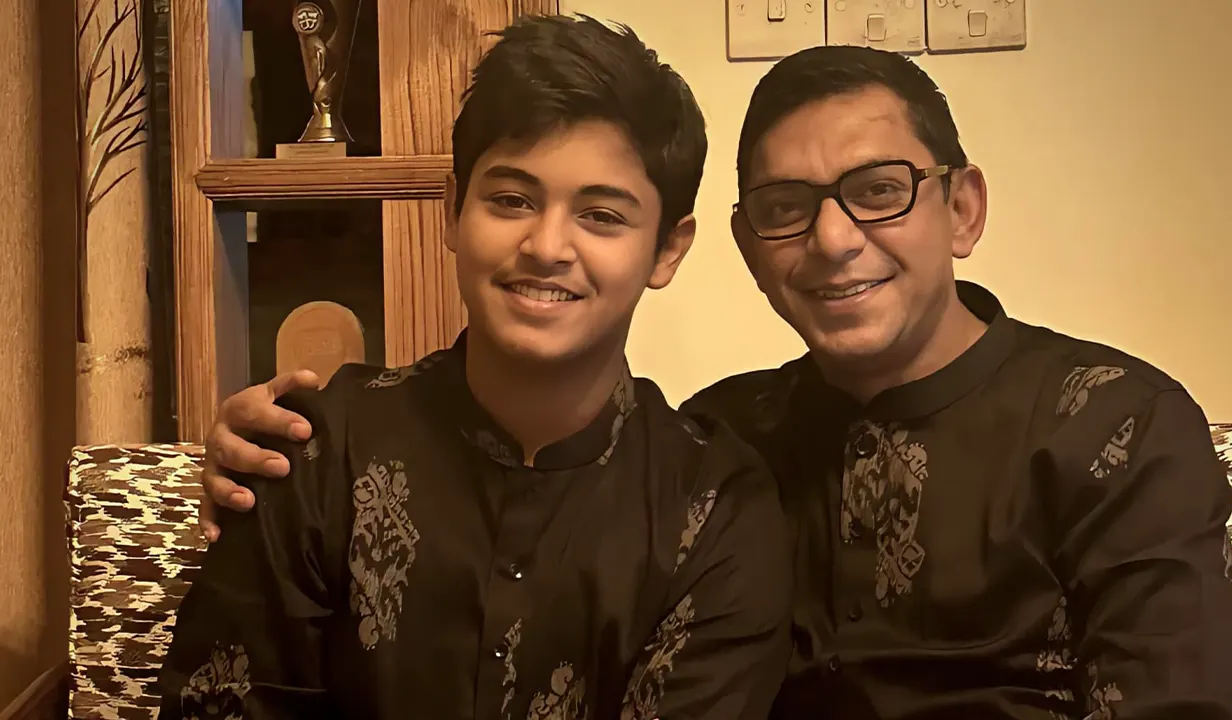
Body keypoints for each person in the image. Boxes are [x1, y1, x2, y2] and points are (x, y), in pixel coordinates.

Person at [198, 41, 1232, 719]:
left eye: (878, 190)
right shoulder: (726, 439)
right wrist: (262, 451)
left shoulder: (1112, 424)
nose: (834, 240)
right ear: (748, 247)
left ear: (963, 209)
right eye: (787, 208)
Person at [157, 15, 792, 720]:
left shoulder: (714, 509)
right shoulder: (315, 453)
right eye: (512, 200)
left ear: (667, 250)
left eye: (602, 216)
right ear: (453, 209)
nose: (547, 246)